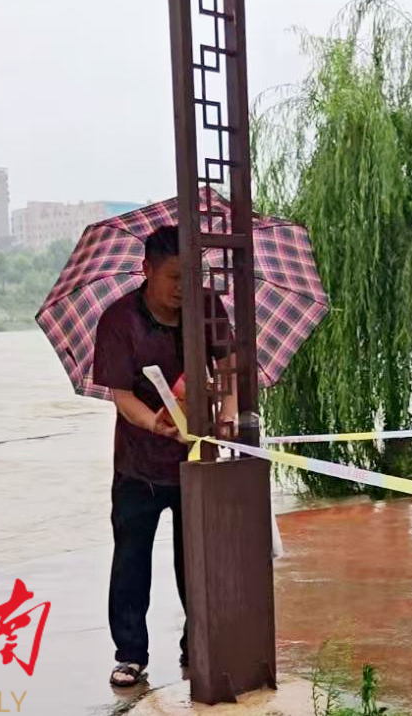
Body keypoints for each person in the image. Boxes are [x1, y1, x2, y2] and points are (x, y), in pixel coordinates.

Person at [92, 225, 237, 687]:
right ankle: (130, 654)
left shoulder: (207, 308)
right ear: (147, 270)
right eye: (175, 277)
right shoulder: (119, 320)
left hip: (196, 459)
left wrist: (227, 414)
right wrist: (155, 423)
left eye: (191, 278)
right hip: (137, 465)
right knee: (131, 561)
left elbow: (229, 368)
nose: (182, 289)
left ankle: (197, 646)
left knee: (196, 561)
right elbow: (121, 396)